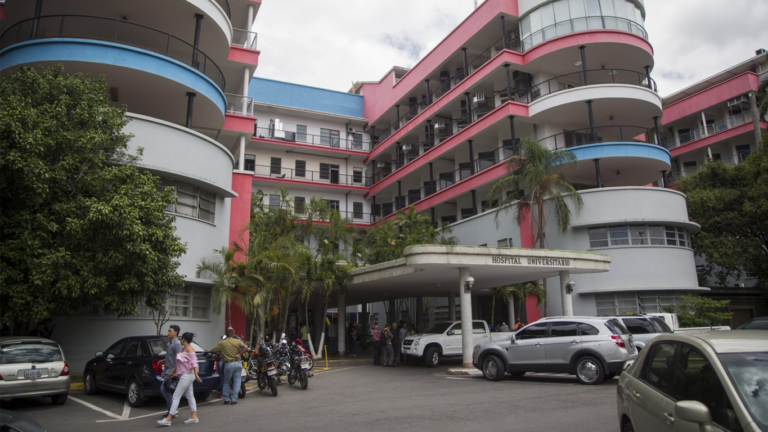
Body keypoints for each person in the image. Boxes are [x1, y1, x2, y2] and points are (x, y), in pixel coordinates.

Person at [158, 332, 201, 426]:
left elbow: (194, 363)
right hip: (184, 375)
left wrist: (196, 374)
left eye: (181, 339)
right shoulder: (183, 349)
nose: (180, 340)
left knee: (176, 396)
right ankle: (194, 417)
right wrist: (173, 372)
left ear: (184, 339)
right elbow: (178, 363)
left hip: (187, 375)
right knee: (190, 396)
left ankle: (168, 418)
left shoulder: (190, 349)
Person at [211, 328, 247, 405]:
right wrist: (239, 354)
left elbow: (213, 350)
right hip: (237, 363)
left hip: (228, 364)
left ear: (226, 335)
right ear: (233, 334)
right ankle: (234, 399)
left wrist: (219, 354)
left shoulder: (222, 343)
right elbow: (245, 347)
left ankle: (226, 399)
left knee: (226, 382)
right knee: (237, 381)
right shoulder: (237, 341)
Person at [159, 325, 182, 418]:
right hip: (168, 370)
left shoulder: (177, 344)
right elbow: (168, 359)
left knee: (164, 389)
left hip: (172, 371)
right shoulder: (171, 343)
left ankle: (172, 410)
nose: (168, 333)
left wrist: (175, 371)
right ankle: (172, 410)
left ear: (176, 332)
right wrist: (163, 371)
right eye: (168, 331)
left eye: (170, 331)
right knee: (167, 389)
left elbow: (179, 359)